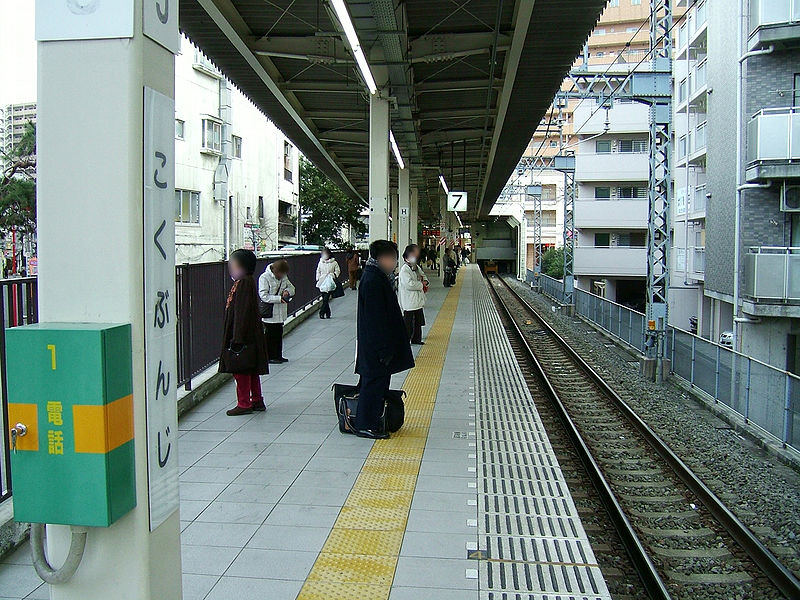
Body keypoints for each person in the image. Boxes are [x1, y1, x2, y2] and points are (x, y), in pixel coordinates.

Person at [353, 240, 414, 439]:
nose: (395, 262)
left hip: (377, 345)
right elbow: (375, 320)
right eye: (392, 258)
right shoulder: (373, 280)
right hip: (376, 347)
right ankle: (365, 424)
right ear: (381, 259)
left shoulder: (378, 276)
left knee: (376, 384)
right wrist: (383, 349)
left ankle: (372, 420)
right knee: (373, 384)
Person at [219, 249, 269, 416]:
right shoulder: (246, 282)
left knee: (241, 370)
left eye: (233, 264)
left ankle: (244, 403)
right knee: (251, 368)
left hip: (244, 335)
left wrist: (237, 337)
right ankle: (256, 399)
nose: (231, 268)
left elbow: (242, 312)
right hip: (251, 334)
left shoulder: (244, 283)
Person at [259, 258, 295, 364]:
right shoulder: (264, 277)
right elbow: (263, 296)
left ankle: (278, 355)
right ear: (275, 270)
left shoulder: (284, 277)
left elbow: (292, 288)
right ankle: (269, 356)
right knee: (270, 335)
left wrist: (287, 292)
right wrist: (279, 299)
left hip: (281, 311)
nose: (282, 275)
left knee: (279, 334)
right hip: (270, 311)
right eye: (280, 273)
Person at [398, 244, 428, 345]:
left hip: (418, 300)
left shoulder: (415, 267)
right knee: (408, 323)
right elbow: (409, 284)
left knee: (418, 322)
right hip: (409, 301)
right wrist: (421, 284)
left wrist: (425, 282)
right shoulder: (404, 270)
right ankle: (406, 340)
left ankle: (416, 339)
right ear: (407, 257)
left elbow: (423, 275)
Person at [316, 247, 340, 319]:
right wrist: (318, 278)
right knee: (324, 298)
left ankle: (322, 312)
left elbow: (337, 270)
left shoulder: (334, 262)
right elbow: (318, 271)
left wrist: (334, 276)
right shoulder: (320, 262)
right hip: (322, 282)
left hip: (330, 281)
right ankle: (328, 313)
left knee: (326, 298)